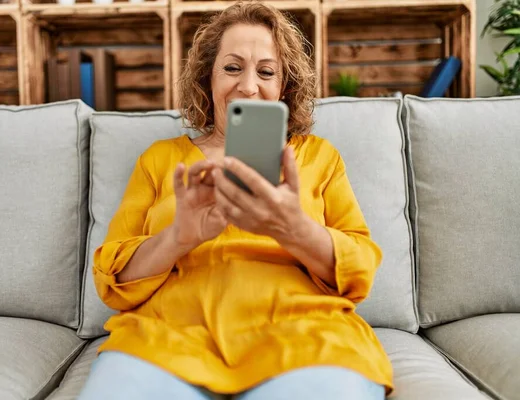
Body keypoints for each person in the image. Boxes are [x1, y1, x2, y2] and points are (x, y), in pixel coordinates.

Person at [78, 2, 393, 399]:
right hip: (169, 338)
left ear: (284, 87)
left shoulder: (318, 157)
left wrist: (292, 229)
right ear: (207, 78)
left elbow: (359, 268)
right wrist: (179, 236)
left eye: (266, 72)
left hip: (305, 336)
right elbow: (114, 279)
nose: (248, 86)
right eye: (232, 68)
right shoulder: (160, 159)